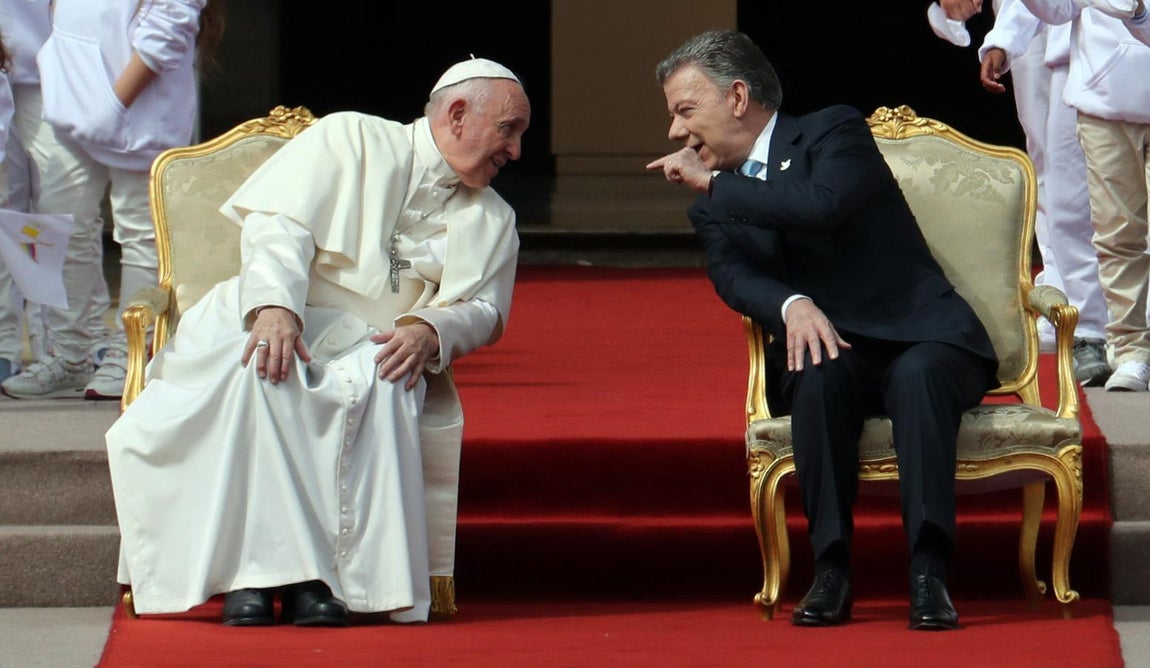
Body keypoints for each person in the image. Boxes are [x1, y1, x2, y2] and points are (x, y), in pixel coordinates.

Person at [104, 57, 528, 627]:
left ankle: (325, 581)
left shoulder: (493, 216)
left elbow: (482, 307)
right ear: (456, 114)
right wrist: (275, 305)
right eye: (509, 130)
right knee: (265, 370)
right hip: (273, 311)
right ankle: (258, 578)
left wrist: (432, 329)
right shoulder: (350, 136)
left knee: (382, 378)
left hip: (366, 342)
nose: (516, 151)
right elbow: (279, 226)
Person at [647, 30, 999, 630]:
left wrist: (716, 184)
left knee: (917, 376)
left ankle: (928, 572)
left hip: (921, 331)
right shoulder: (711, 202)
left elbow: (821, 205)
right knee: (814, 373)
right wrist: (791, 304)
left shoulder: (833, 131)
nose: (677, 133)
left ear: (737, 97)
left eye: (685, 111)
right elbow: (732, 276)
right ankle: (831, 568)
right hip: (835, 343)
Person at [0, 0, 224, 400]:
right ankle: (70, 354)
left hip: (138, 112)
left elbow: (169, 23)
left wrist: (113, 103)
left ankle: (130, 352)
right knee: (59, 227)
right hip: (74, 109)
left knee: (139, 232)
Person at [932, 0, 1113, 385]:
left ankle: (1107, 317)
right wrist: (1004, 39)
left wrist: (1002, 39)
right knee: (1047, 162)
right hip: (1034, 21)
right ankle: (1063, 297)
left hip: (1104, 27)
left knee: (1087, 174)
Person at [1019, 0, 1150, 391]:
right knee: (1117, 235)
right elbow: (1057, 10)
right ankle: (1131, 353)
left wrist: (1140, 15)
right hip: (1104, 101)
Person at [0, 0, 112, 389]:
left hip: (53, 66)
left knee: (63, 208)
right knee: (3, 206)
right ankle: (3, 344)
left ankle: (75, 339)